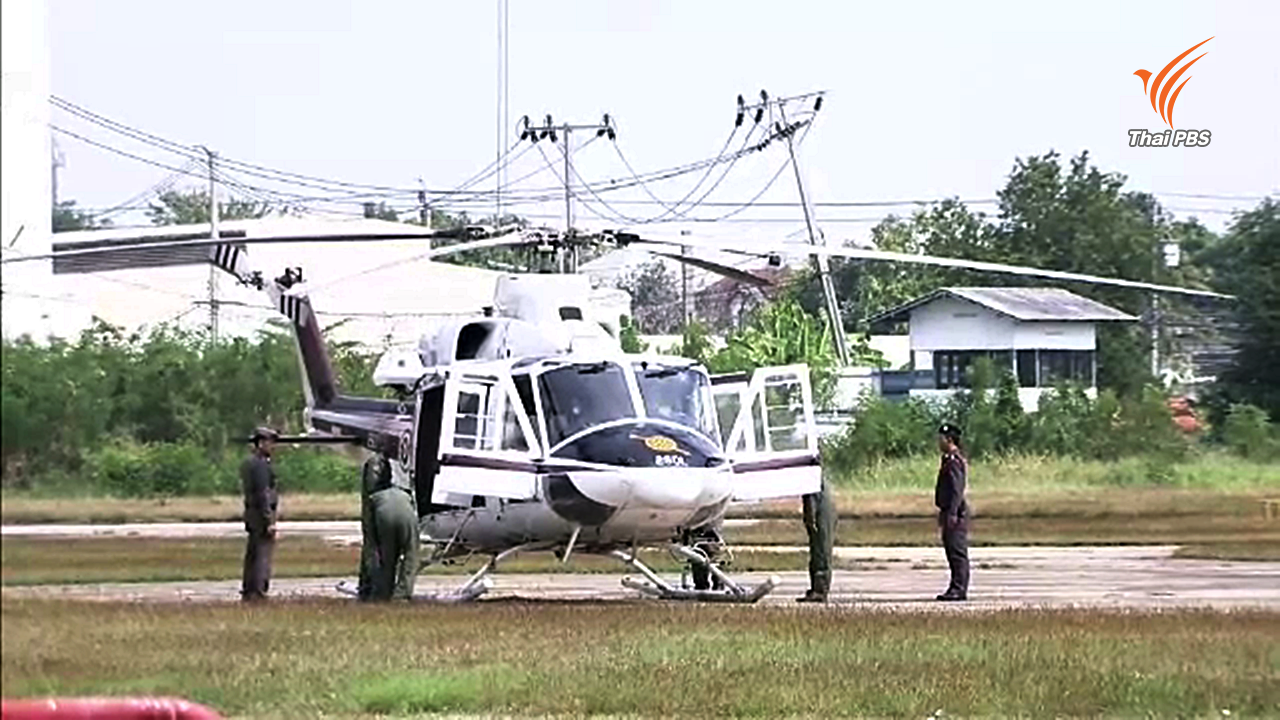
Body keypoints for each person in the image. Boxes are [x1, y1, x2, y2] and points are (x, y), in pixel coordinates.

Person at [366, 455, 419, 602]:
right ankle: (402, 595)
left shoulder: (374, 497)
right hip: (406, 517)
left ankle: (383, 593)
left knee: (387, 559)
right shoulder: (403, 492)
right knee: (410, 556)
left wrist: (375, 545)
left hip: (384, 517)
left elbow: (370, 529)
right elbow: (414, 510)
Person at [241, 426, 280, 602]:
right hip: (260, 515)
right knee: (262, 555)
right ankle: (258, 590)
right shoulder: (261, 465)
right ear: (261, 443)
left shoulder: (249, 462)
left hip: (251, 513)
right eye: (271, 442)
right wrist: (269, 519)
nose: (273, 446)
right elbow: (263, 493)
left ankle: (249, 589)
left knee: (252, 554)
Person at [935, 423, 970, 601]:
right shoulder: (948, 459)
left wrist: (953, 514)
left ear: (949, 439)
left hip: (954, 512)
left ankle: (959, 589)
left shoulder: (954, 461)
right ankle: (955, 587)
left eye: (941, 438)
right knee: (951, 551)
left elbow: (957, 490)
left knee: (957, 552)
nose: (938, 441)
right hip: (948, 510)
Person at [797, 477, 836, 603]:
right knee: (820, 549)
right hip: (825, 510)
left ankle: (820, 590)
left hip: (822, 512)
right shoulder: (813, 478)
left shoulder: (811, 479)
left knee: (821, 550)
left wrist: (810, 518)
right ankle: (817, 588)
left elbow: (811, 503)